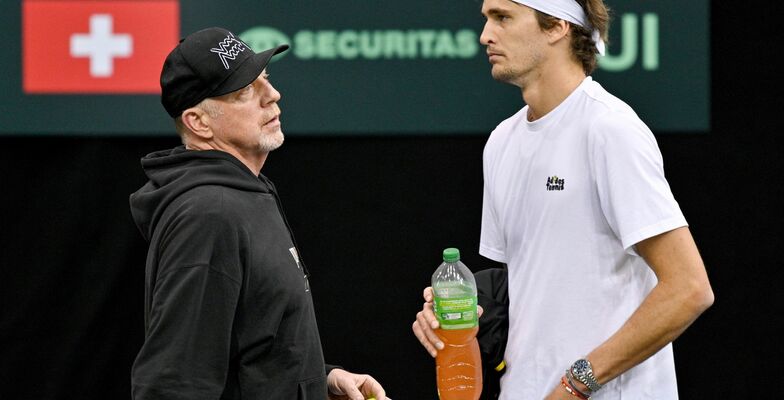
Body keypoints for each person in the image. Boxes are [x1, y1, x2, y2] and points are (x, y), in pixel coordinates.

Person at [412, 0, 714, 398]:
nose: (485, 35)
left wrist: (576, 383)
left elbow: (689, 288)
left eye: (502, 18)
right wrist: (462, 308)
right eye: (487, 19)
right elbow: (533, 282)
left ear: (557, 26)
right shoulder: (501, 142)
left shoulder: (610, 129)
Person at [129, 26, 388, 400]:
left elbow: (255, 343)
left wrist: (320, 381)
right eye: (245, 91)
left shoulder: (245, 193)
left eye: (265, 78)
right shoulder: (209, 215)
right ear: (198, 122)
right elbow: (173, 385)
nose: (273, 95)